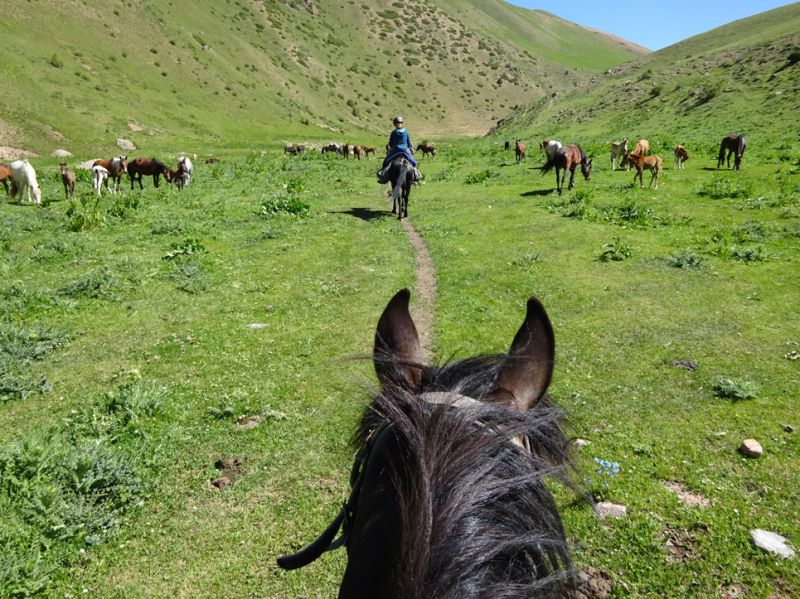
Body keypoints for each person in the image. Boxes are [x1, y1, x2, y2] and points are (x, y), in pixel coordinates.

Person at [377, 116, 420, 184]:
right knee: (413, 162)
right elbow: (409, 143)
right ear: (402, 123)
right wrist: (409, 148)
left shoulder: (394, 132)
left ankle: (383, 176)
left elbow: (390, 144)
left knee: (385, 161)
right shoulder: (406, 132)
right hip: (405, 150)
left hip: (395, 150)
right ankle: (416, 176)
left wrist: (391, 148)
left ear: (394, 124)